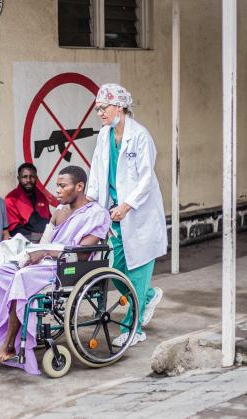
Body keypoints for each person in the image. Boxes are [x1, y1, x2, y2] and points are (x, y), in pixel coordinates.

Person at [0, 166, 111, 376]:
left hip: (68, 267)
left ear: (79, 186)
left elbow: (81, 254)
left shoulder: (96, 214)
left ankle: (9, 345)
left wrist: (43, 253)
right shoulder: (60, 212)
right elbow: (44, 243)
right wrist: (30, 253)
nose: (57, 191)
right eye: (57, 186)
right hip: (47, 261)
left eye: (62, 186)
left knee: (21, 277)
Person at [87, 83, 167, 347]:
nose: (100, 113)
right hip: (114, 216)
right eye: (98, 108)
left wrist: (128, 205)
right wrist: (90, 200)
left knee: (137, 274)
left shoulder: (140, 136)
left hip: (138, 217)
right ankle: (148, 296)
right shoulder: (104, 135)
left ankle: (134, 328)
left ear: (120, 107)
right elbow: (97, 170)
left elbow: (146, 178)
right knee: (115, 269)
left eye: (104, 107)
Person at [5, 163, 51, 242]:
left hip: (46, 240)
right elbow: (15, 229)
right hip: (25, 242)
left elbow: (50, 221)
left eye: (32, 177)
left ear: (36, 178)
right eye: (24, 177)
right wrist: (41, 238)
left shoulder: (41, 196)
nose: (28, 180)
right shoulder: (11, 199)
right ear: (19, 178)